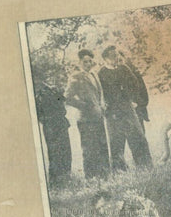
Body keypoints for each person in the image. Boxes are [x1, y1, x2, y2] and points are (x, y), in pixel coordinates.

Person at [98, 45, 152, 171]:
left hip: (127, 107)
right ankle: (119, 170)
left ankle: (145, 166)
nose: (116, 58)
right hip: (112, 112)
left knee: (138, 136)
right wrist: (104, 103)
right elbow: (99, 92)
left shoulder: (124, 68)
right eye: (113, 56)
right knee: (116, 141)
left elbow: (135, 83)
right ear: (105, 58)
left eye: (117, 55)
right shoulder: (101, 73)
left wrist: (133, 99)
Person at [66, 49, 110, 178]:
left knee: (102, 147)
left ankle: (105, 176)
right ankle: (91, 178)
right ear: (80, 62)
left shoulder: (94, 74)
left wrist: (102, 105)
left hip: (99, 117)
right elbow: (67, 97)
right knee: (89, 150)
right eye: (85, 61)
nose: (88, 63)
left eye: (90, 61)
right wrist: (85, 106)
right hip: (86, 120)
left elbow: (98, 94)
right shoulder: (75, 76)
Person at [34, 78, 72, 187]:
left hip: (61, 123)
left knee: (66, 151)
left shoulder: (56, 91)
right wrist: (48, 120)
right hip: (50, 126)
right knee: (54, 153)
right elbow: (39, 113)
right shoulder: (40, 95)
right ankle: (55, 182)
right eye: (48, 80)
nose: (51, 82)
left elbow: (63, 106)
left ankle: (66, 178)